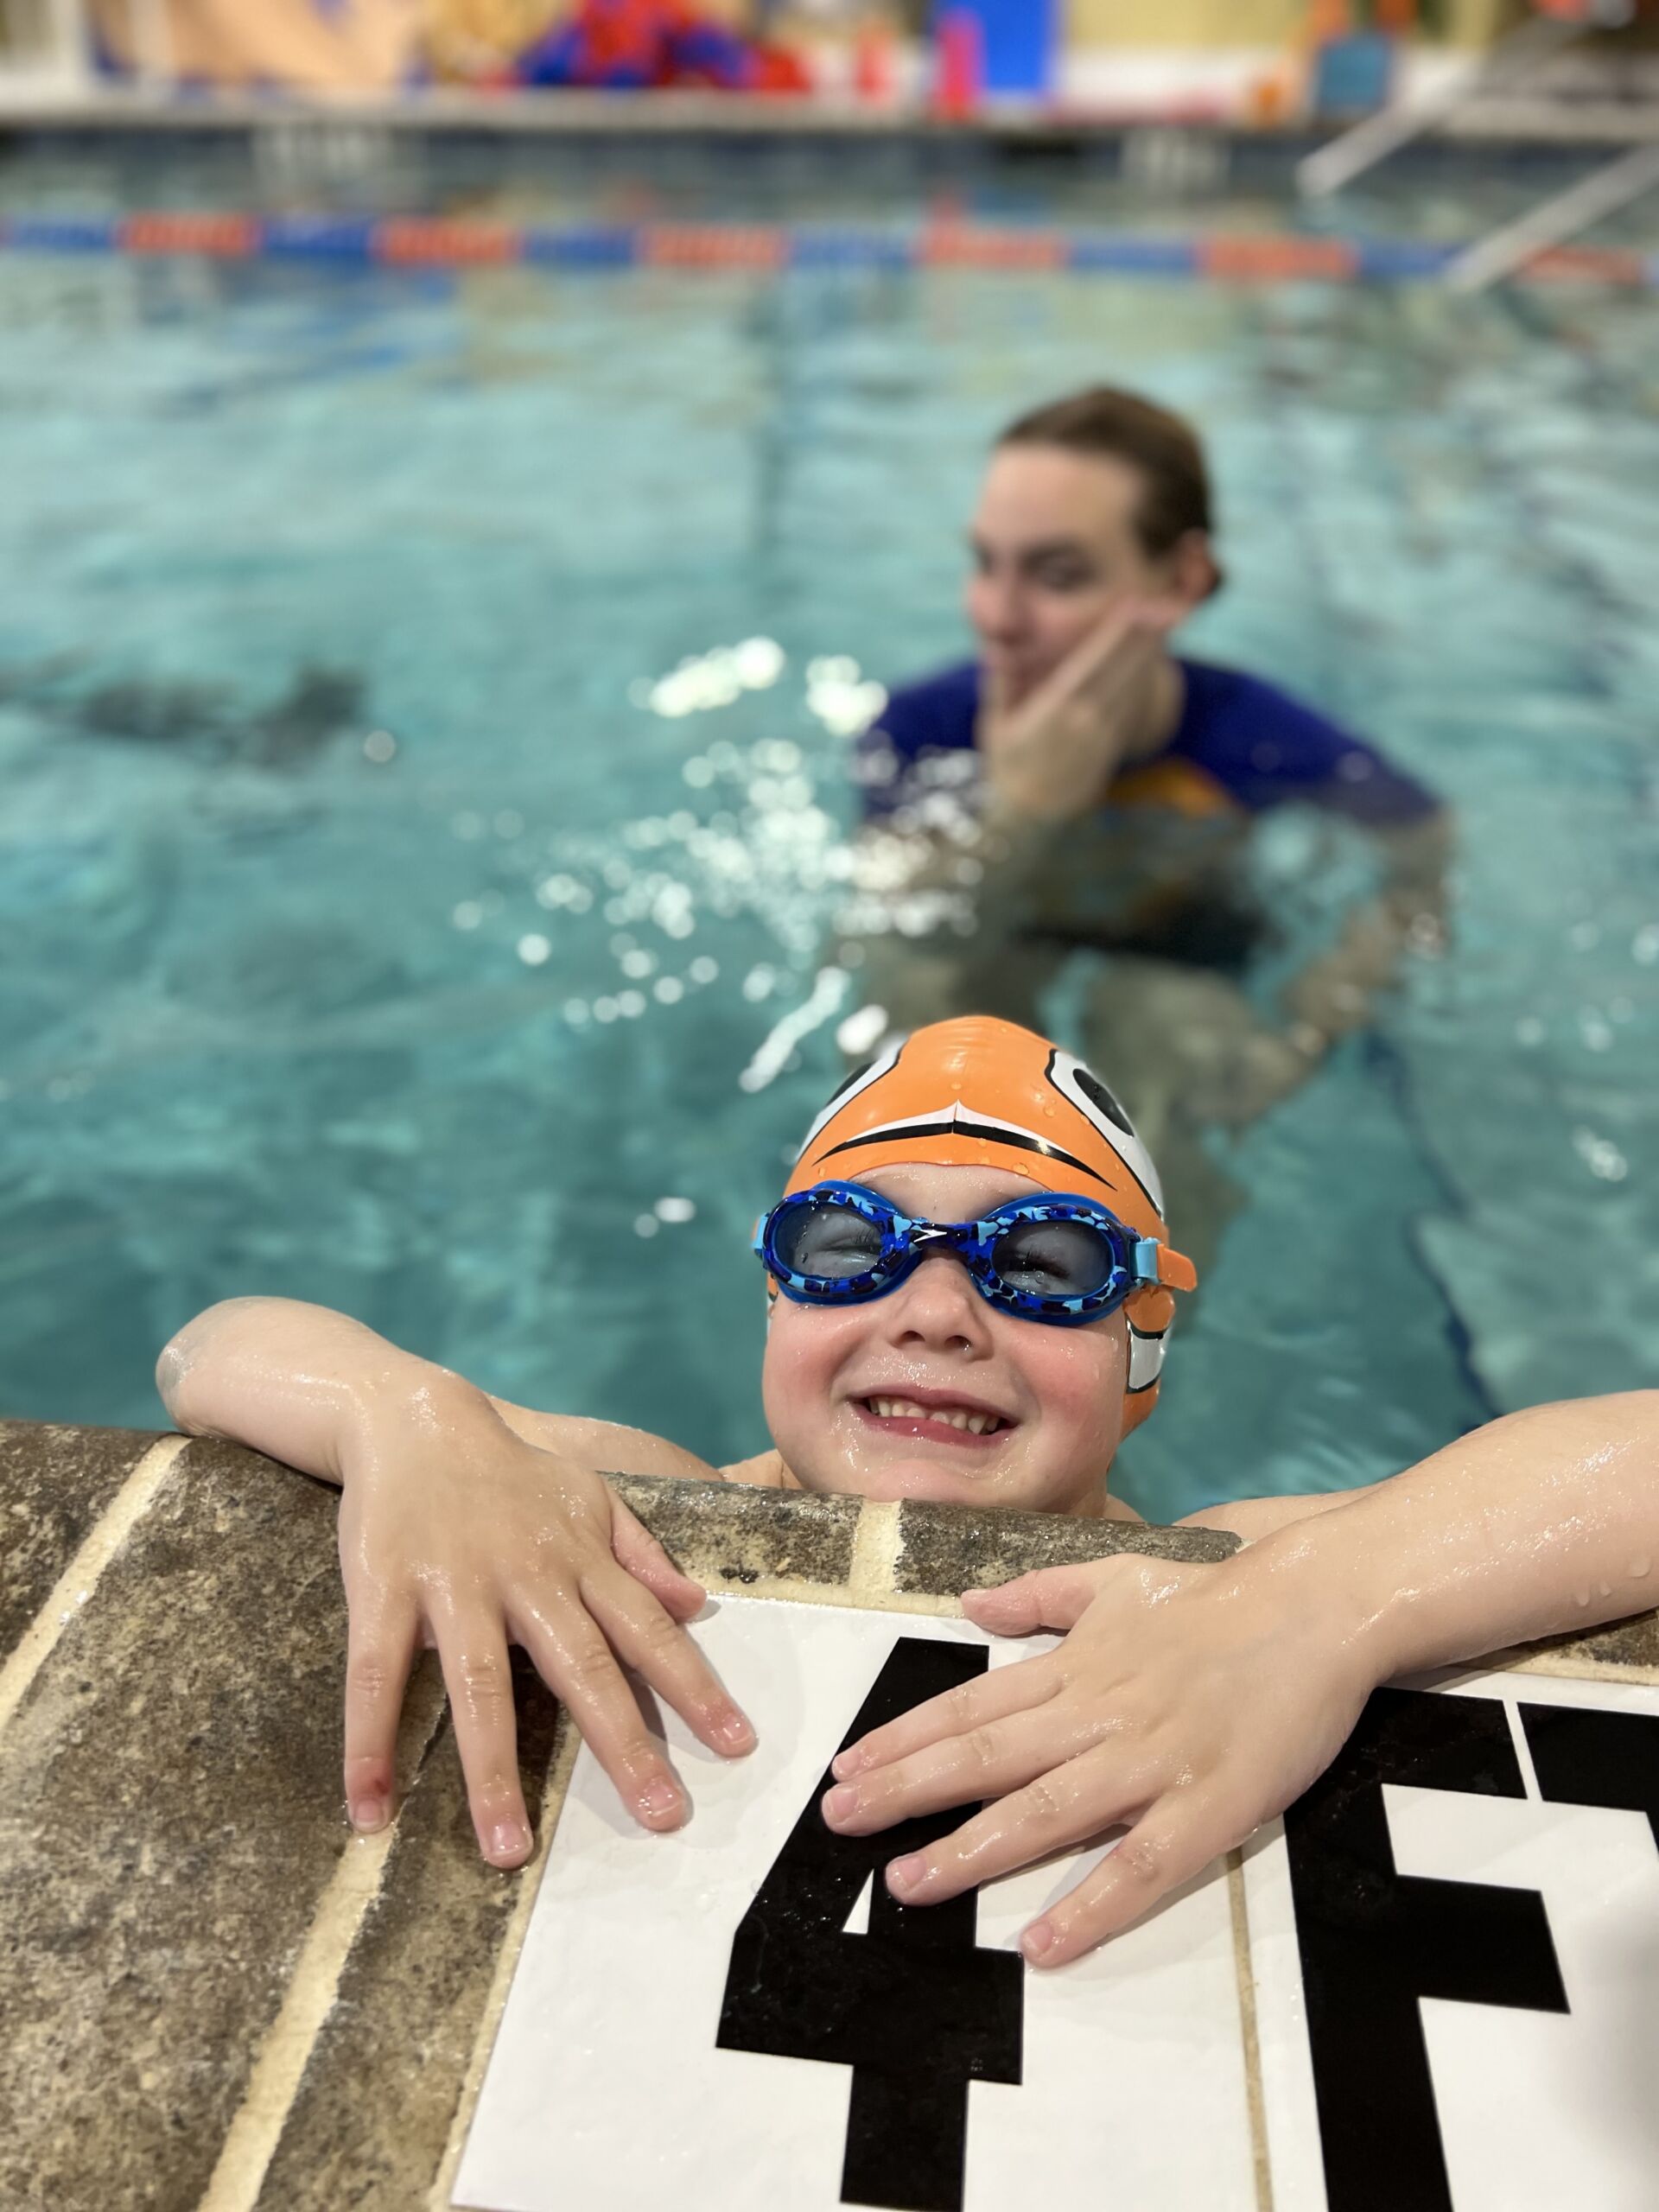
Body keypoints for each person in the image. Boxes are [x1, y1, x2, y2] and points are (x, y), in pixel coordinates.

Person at [158, 1016, 1658, 1967]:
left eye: (1045, 1265)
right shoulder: (630, 1506)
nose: (935, 1310)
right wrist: (408, 1419)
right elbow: (209, 1347)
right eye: (847, 1244)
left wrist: (1334, 1603)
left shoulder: (1228, 1590)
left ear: (1146, 1343)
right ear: (772, 1301)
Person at [843, 387, 1452, 1270]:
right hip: (1000, 935)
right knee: (929, 1039)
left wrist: (1311, 1029)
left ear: (1179, 582)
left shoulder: (1255, 736)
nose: (998, 618)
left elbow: (1425, 856)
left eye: (1057, 576)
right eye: (986, 564)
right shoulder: (918, 731)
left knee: (1167, 1042)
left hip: (1181, 953)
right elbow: (883, 932)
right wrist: (1022, 811)